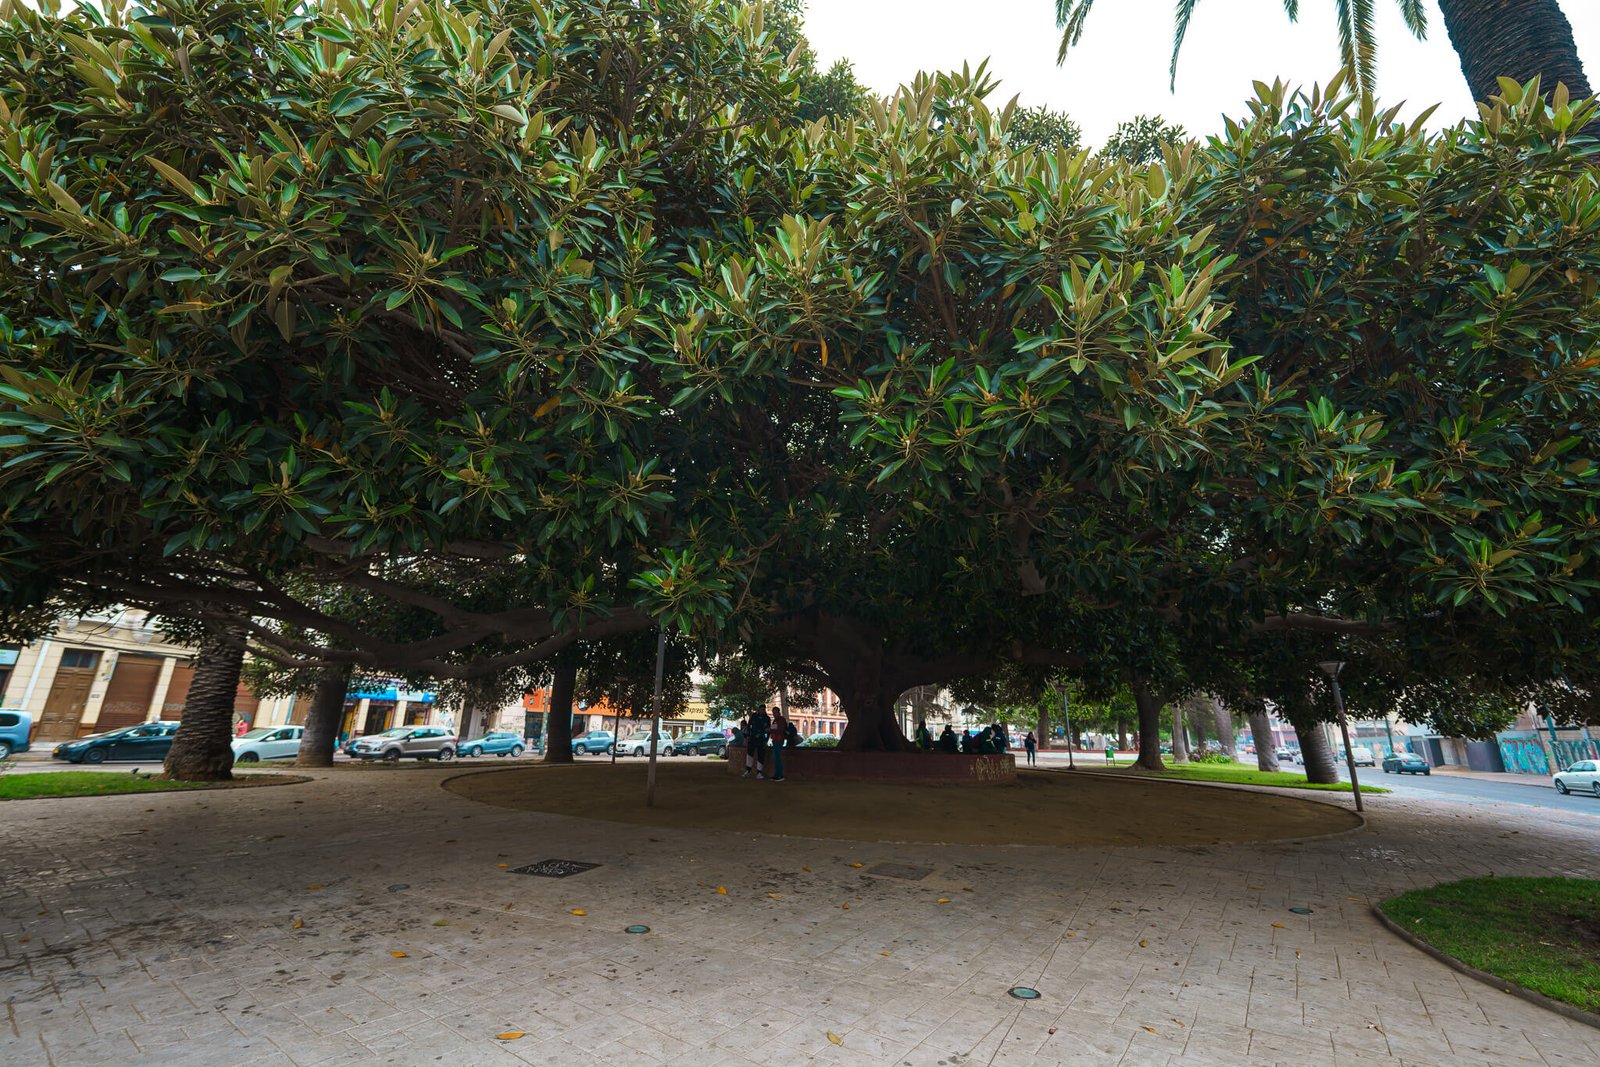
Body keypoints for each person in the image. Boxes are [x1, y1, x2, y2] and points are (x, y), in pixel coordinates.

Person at [743, 705, 771, 779]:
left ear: (764, 710)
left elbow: (768, 731)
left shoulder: (767, 718)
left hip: (761, 739)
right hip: (752, 738)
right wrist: (748, 735)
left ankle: (759, 773)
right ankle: (748, 771)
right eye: (760, 709)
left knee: (760, 755)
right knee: (749, 754)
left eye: (763, 710)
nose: (761, 711)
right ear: (758, 710)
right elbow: (749, 726)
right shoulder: (754, 716)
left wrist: (766, 740)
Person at [767, 705, 787, 782]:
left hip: (779, 740)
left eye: (775, 712)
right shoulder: (775, 721)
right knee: (775, 757)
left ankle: (780, 775)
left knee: (777, 757)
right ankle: (777, 774)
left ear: (779, 712)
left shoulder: (781, 720)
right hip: (775, 740)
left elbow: (780, 730)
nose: (774, 714)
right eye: (773, 713)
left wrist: (770, 730)